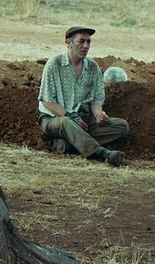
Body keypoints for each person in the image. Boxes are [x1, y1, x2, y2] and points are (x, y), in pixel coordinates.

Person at [37, 26, 129, 167]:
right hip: (54, 118)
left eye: (88, 42)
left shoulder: (93, 67)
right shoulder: (54, 64)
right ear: (69, 43)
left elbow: (96, 99)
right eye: (81, 41)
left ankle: (69, 144)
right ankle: (102, 154)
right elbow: (47, 100)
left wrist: (98, 115)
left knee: (121, 126)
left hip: (82, 119)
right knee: (66, 122)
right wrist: (70, 116)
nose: (86, 46)